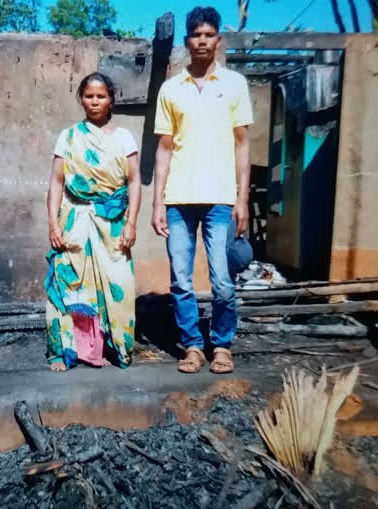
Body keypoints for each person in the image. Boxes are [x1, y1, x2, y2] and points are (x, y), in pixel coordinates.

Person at [151, 6, 253, 374]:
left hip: (221, 198)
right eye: (197, 35)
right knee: (180, 278)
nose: (203, 41)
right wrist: (157, 201)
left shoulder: (234, 85)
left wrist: (243, 198)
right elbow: (164, 148)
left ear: (218, 40)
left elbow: (243, 144)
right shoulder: (170, 89)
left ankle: (222, 344)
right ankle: (193, 345)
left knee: (223, 281)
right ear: (187, 41)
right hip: (178, 198)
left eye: (209, 35)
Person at [44, 72, 142, 372]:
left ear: (111, 99)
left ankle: (116, 346)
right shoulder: (69, 136)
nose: (95, 101)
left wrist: (131, 223)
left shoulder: (124, 137)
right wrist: (53, 223)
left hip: (111, 223)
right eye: (89, 96)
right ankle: (70, 351)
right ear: (81, 99)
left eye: (101, 96)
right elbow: (57, 182)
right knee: (72, 283)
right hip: (75, 220)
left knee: (119, 284)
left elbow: (135, 181)